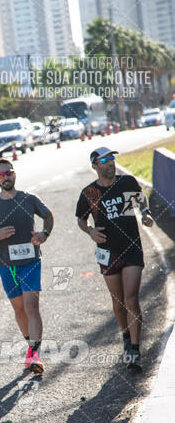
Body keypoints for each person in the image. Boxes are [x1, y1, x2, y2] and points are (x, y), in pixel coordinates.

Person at [0, 158, 54, 374]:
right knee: (19, 309)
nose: (5, 177)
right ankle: (30, 345)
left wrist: (44, 234)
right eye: (1, 175)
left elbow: (48, 215)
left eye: (8, 173)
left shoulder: (29, 198)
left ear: (14, 174)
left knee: (31, 306)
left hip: (31, 262)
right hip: (7, 266)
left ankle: (36, 354)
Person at [76, 147, 154, 371]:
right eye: (105, 160)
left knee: (131, 299)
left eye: (112, 158)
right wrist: (90, 231)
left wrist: (146, 213)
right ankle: (126, 336)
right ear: (95, 166)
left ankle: (135, 351)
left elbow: (141, 200)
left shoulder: (126, 182)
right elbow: (80, 219)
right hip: (108, 253)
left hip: (132, 250)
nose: (111, 163)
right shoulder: (89, 193)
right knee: (118, 303)